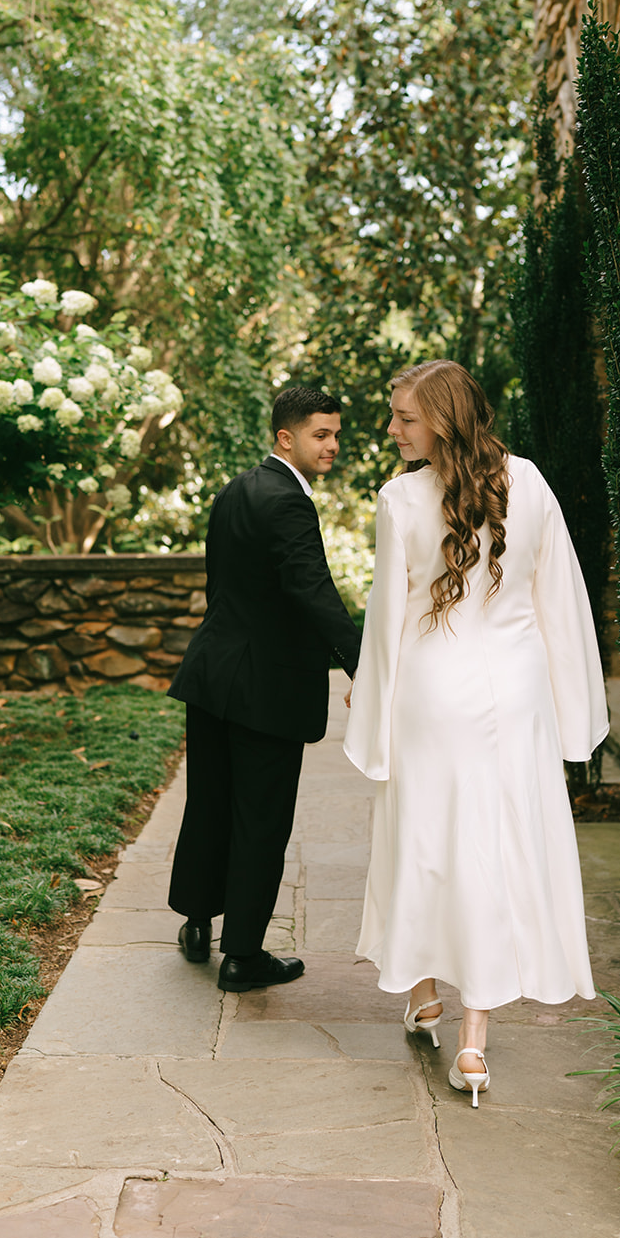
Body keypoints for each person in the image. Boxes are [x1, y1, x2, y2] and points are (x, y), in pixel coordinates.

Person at [344, 360, 608, 1105]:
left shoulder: (400, 498)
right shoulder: (529, 481)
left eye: (404, 418)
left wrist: (371, 702)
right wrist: (574, 715)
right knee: (496, 849)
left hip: (431, 692)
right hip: (517, 695)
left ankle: (424, 993)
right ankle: (473, 1041)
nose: (392, 429)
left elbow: (386, 618)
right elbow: (561, 602)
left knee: (423, 841)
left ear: (443, 420)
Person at [168, 386, 362, 993]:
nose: (332, 446)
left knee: (210, 805)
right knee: (260, 820)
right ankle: (243, 957)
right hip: (264, 689)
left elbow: (227, 586)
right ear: (286, 437)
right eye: (320, 435)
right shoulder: (289, 502)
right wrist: (366, 664)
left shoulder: (236, 490)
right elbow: (312, 591)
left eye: (335, 434)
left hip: (213, 674)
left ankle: (198, 926)